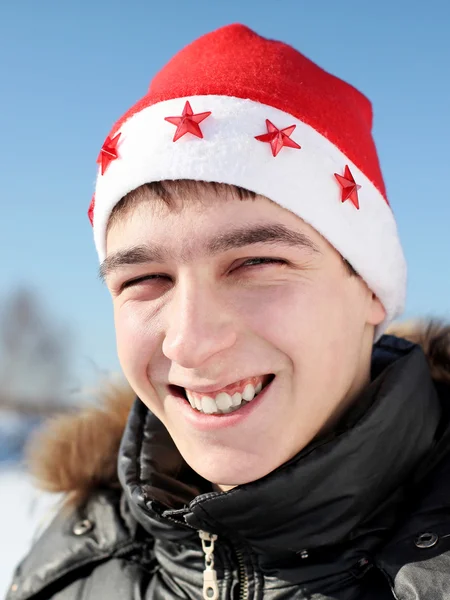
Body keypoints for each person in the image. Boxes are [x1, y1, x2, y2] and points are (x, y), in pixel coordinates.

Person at [7, 23, 450, 600]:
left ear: (368, 287)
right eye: (144, 279)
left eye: (255, 264)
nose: (189, 342)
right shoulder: (71, 565)